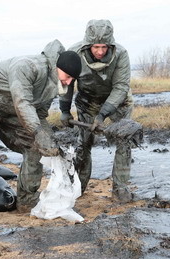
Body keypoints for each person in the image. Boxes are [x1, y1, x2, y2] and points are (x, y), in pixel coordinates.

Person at [0, 39, 82, 224]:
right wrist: (37, 131)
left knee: (36, 147)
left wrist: (47, 138)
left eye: (72, 79)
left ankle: (26, 198)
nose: (68, 81)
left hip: (8, 109)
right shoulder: (28, 66)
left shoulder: (52, 86)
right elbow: (22, 102)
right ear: (57, 66)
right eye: (67, 75)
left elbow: (40, 115)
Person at [59, 19, 134, 203]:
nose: (100, 52)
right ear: (88, 45)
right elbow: (66, 82)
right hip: (87, 100)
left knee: (124, 141)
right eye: (96, 47)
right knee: (83, 143)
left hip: (118, 101)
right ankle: (79, 186)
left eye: (104, 47)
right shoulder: (74, 53)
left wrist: (102, 115)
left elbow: (121, 87)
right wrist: (64, 110)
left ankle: (120, 189)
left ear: (110, 44)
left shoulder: (121, 54)